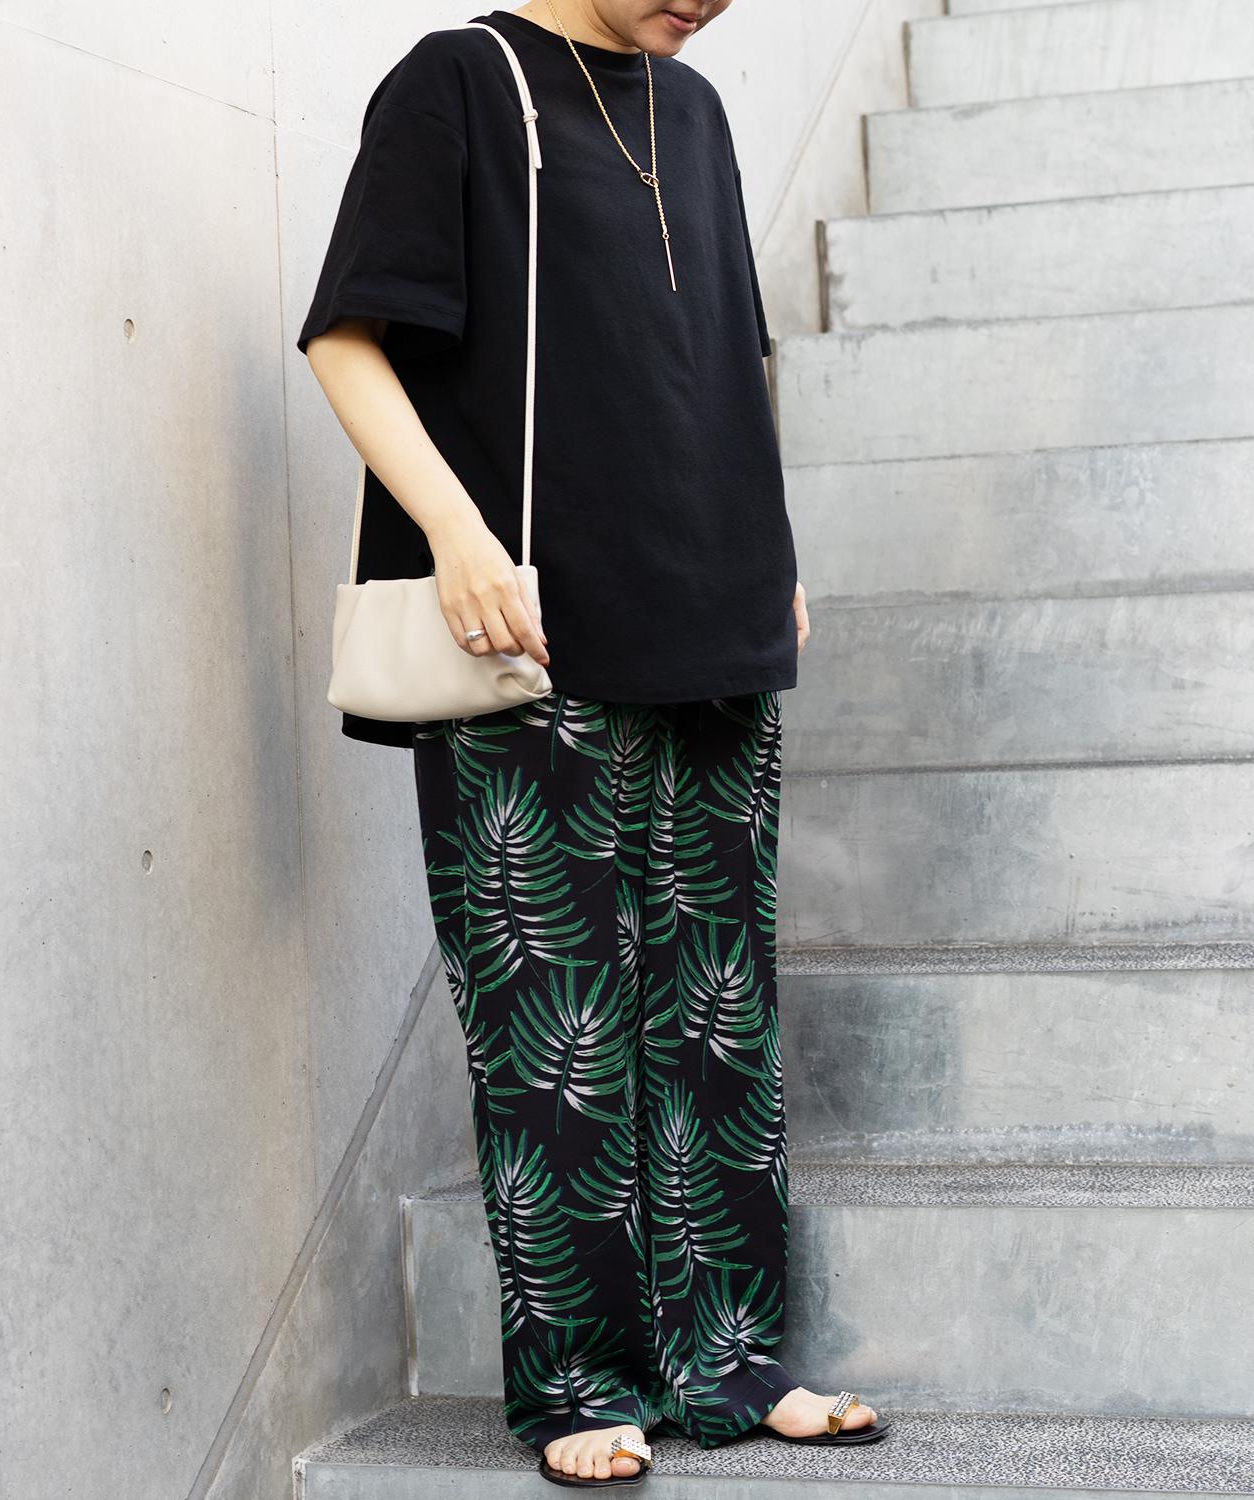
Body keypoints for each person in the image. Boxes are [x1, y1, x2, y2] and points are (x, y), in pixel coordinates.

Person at [297, 0, 889, 1486]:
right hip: (531, 641)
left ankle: (731, 1364)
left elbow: (731, 350)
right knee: (550, 1029)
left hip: (715, 620)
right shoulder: (461, 81)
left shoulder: (697, 111)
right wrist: (456, 536)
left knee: (719, 1018)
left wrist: (772, 548)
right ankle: (575, 1383)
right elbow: (347, 337)